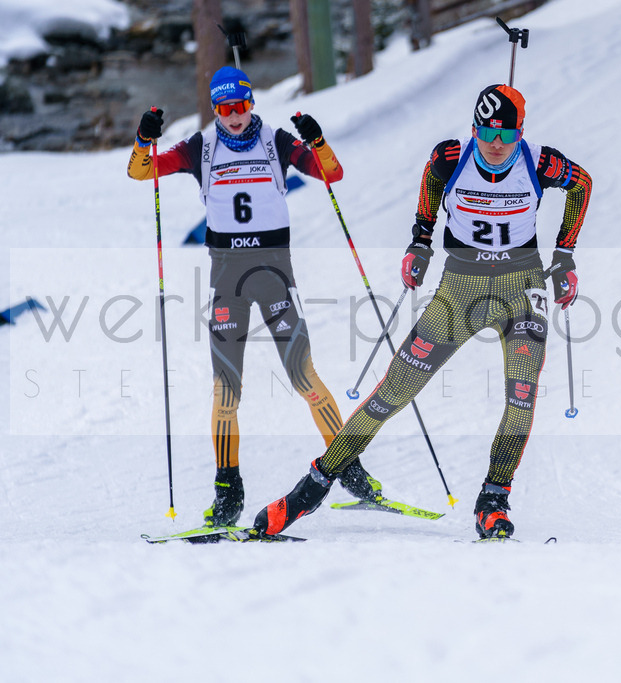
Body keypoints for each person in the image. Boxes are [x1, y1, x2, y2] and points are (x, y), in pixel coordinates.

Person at [252, 83, 592, 539]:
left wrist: (565, 255)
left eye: (507, 136)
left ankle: (494, 498)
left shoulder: (539, 159)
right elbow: (431, 187)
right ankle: (313, 487)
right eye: (487, 134)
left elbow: (582, 184)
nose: (496, 145)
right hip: (460, 289)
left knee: (522, 397)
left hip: (522, 287)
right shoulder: (450, 157)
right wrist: (420, 241)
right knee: (394, 391)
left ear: (521, 132)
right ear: (474, 129)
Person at [127, 66, 384, 527]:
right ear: (214, 109)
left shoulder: (277, 142)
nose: (234, 117)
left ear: (251, 103)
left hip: (274, 275)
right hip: (227, 279)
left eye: (241, 106)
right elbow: (141, 173)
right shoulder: (200, 147)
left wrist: (317, 140)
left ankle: (348, 466)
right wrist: (144, 138)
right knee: (226, 391)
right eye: (224, 109)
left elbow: (332, 174)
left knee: (304, 376)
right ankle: (228, 492)